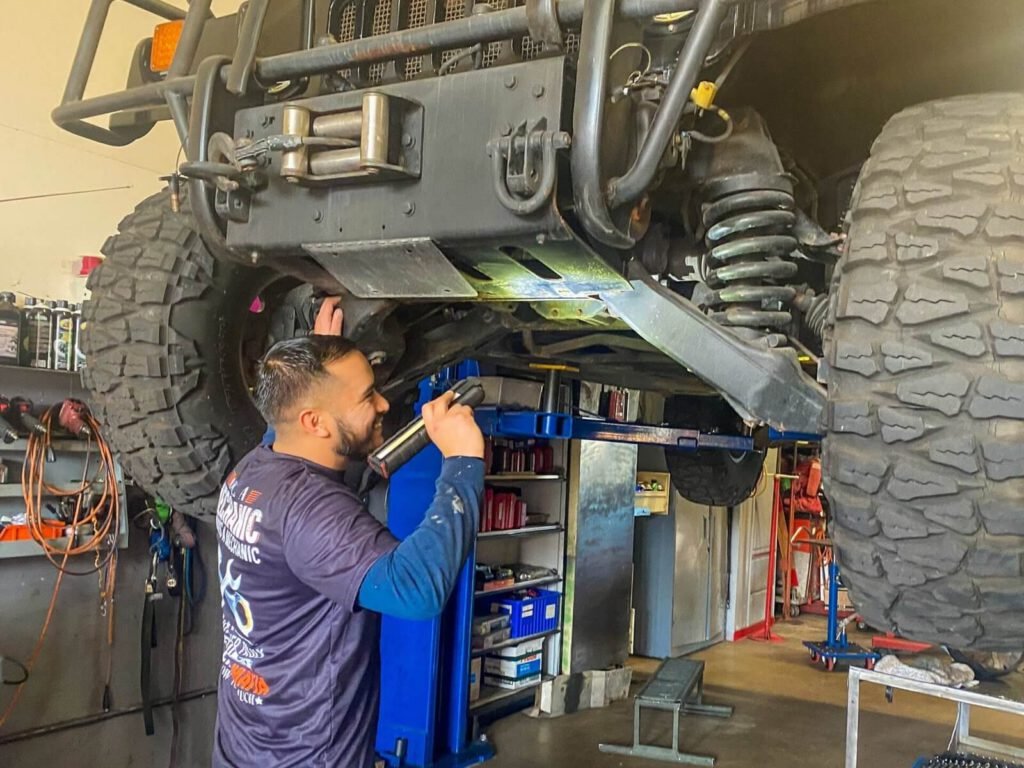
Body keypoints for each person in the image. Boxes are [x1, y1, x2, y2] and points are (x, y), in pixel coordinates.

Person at [213, 300, 484, 768]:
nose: (383, 404)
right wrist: (462, 463)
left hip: (244, 747)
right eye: (367, 396)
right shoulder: (311, 512)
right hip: (309, 756)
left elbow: (292, 412)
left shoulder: (254, 468)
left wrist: (325, 354)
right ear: (314, 422)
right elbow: (416, 590)